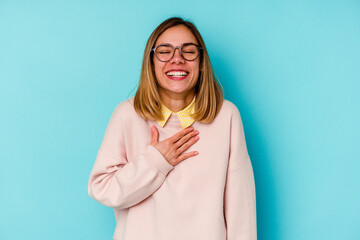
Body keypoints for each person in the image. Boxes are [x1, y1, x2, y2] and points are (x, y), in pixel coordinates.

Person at [88, 17, 257, 240]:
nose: (177, 59)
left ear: (201, 62)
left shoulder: (226, 116)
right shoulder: (127, 115)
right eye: (165, 51)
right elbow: (102, 188)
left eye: (188, 51)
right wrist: (155, 162)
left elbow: (241, 211)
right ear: (151, 62)